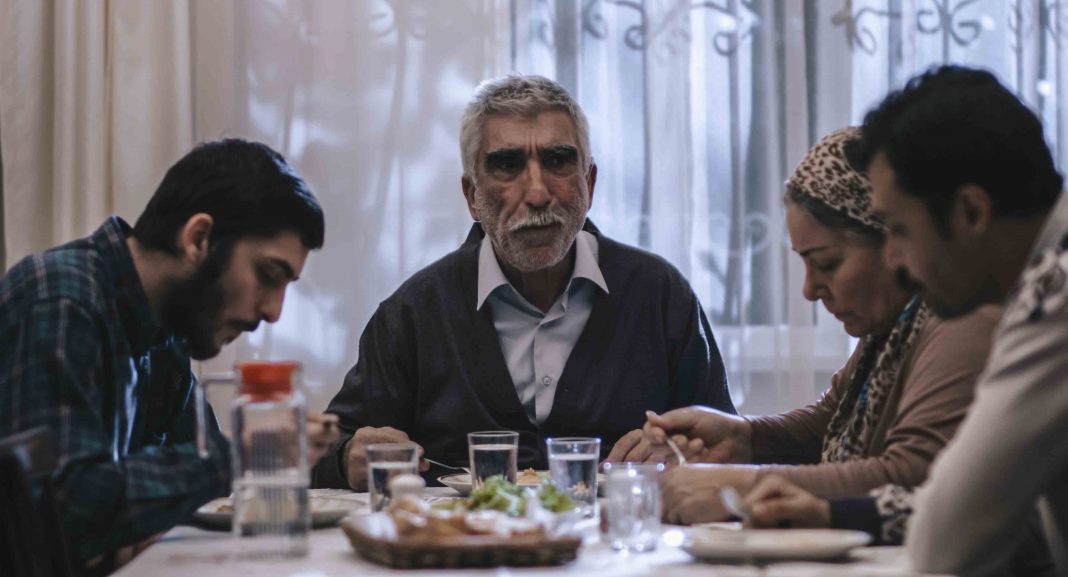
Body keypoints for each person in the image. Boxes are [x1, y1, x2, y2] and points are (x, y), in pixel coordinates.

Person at [312, 74, 735, 491]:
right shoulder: (414, 313)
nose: (536, 194)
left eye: (557, 161)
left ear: (589, 184)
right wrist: (347, 458)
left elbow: (725, 446)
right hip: (465, 534)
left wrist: (682, 452)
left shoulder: (659, 296)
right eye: (507, 165)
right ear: (471, 196)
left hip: (617, 532)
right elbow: (323, 454)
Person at [741, 66, 1066, 576]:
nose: (892, 258)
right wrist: (833, 512)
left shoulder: (1053, 298)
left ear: (971, 212)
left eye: (897, 229)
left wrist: (739, 485)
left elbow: (949, 533)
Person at [0, 139, 341, 571]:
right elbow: (71, 513)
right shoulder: (62, 304)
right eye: (267, 274)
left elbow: (197, 468)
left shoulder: (165, 332)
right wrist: (248, 453)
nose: (274, 312)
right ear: (198, 238)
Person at [642, 126, 1002, 525]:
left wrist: (745, 484)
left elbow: (911, 474)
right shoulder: (894, 325)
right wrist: (743, 436)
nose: (809, 290)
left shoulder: (960, 318)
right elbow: (828, 423)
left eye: (827, 263)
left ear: (893, 244)